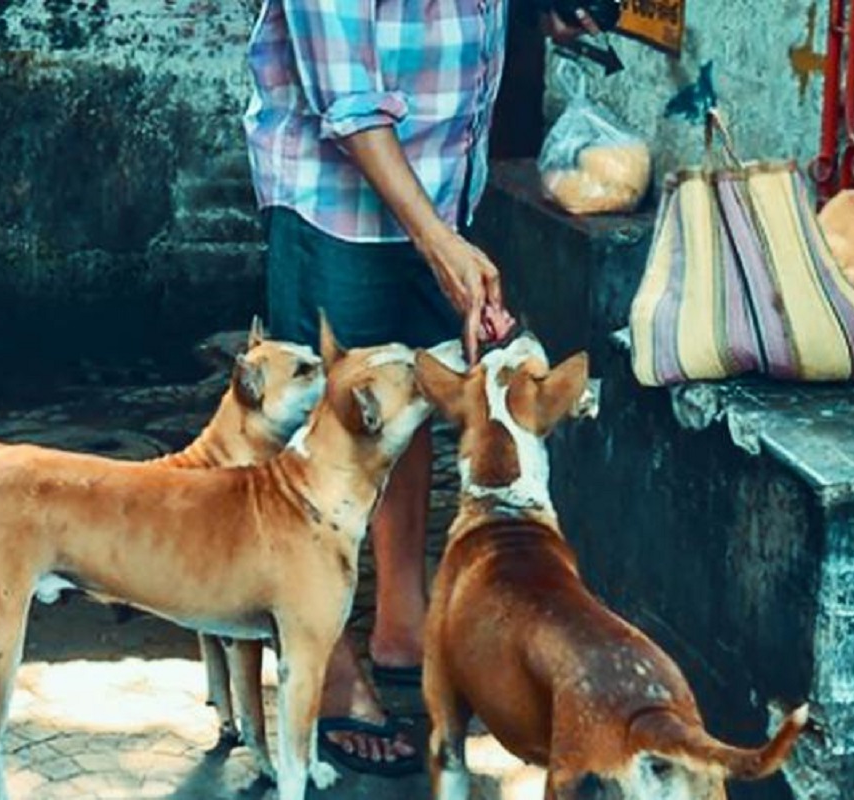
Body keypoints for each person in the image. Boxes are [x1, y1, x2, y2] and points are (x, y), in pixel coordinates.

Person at [242, 0, 596, 774]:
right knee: (328, 438)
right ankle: (327, 675)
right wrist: (438, 243)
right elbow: (349, 103)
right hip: (338, 203)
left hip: (441, 187)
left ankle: (402, 627)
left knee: (405, 414)